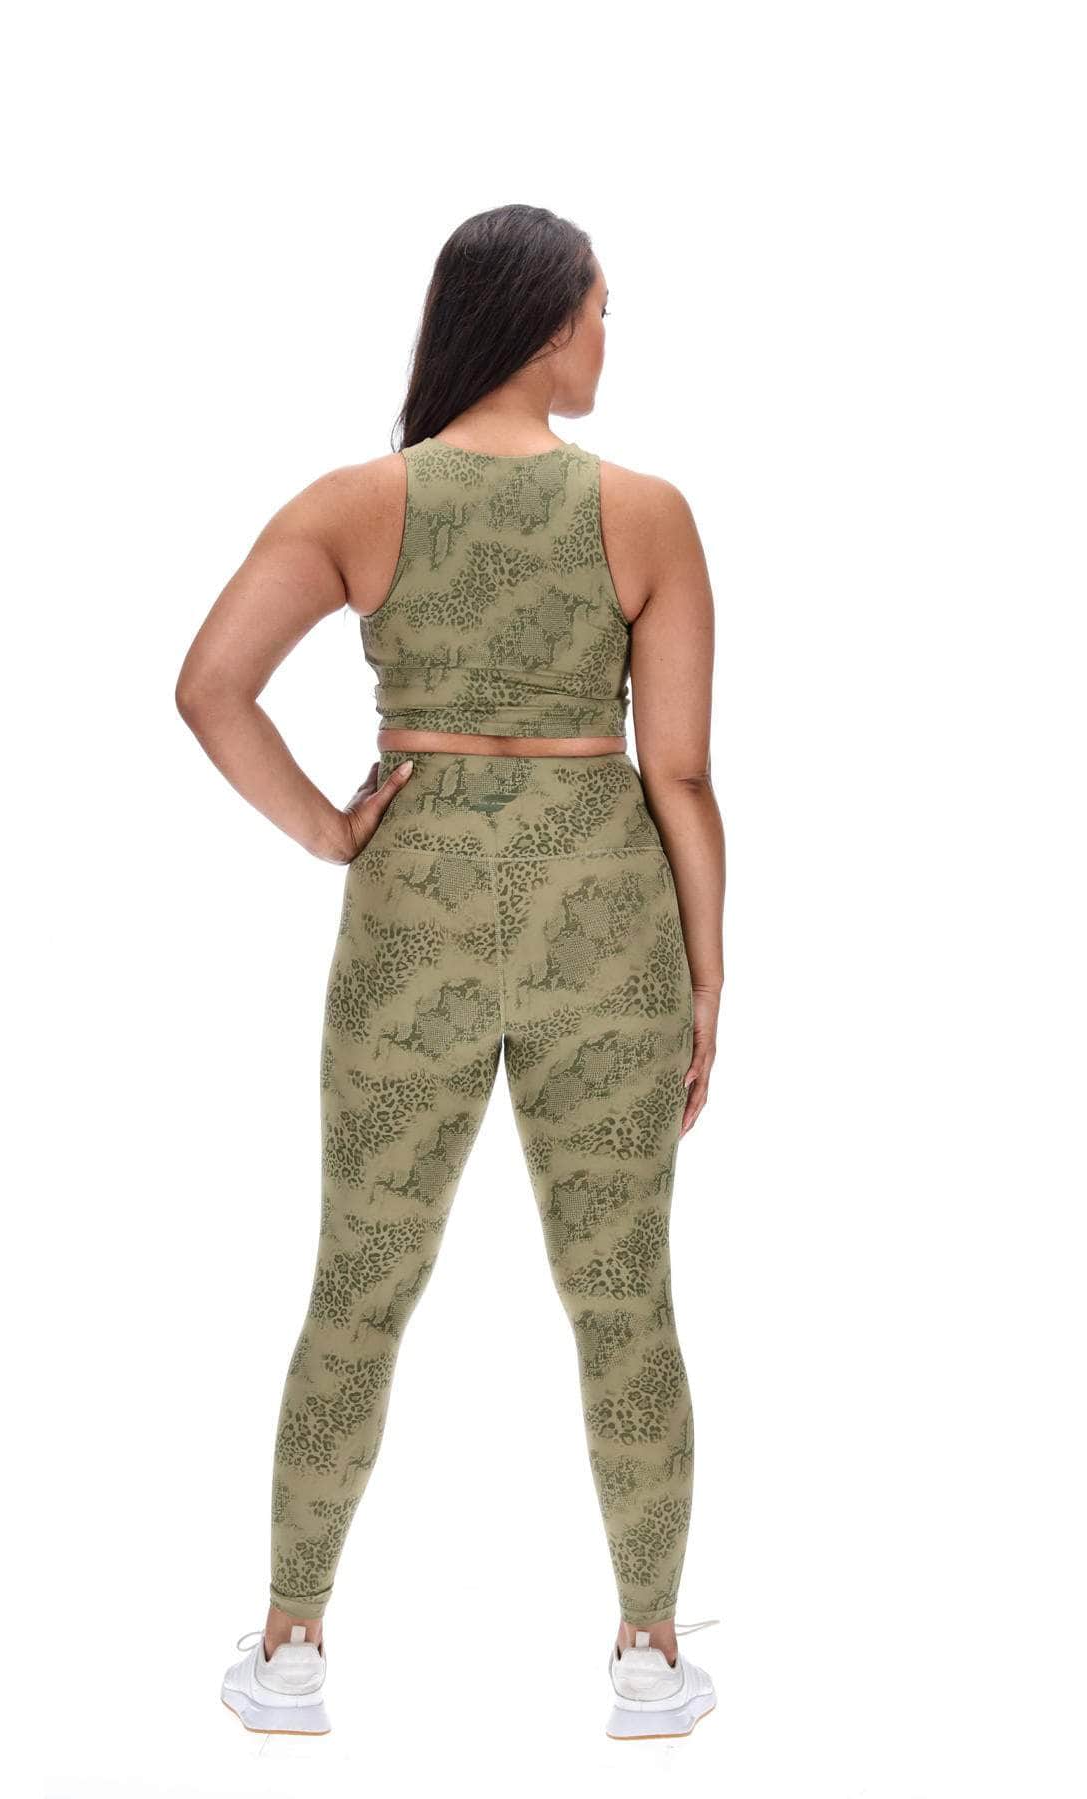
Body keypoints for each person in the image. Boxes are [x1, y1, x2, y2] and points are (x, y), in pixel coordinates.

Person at [175, 203, 725, 1741]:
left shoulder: (359, 501)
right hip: (602, 917)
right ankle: (649, 1655)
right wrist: (708, 976)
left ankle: (290, 1645)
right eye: (602, 310)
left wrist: (331, 830)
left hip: (413, 909)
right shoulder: (648, 514)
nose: (609, 338)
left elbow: (210, 689)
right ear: (547, 321)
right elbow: (680, 776)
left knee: (360, 1276)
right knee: (622, 1291)